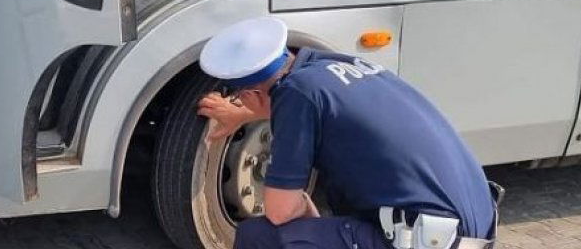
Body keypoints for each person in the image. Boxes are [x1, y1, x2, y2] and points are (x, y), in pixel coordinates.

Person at [197, 16, 500, 249]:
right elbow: (319, 110)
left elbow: (280, 212)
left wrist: (299, 212)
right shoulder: (332, 66)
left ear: (252, 93)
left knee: (260, 236)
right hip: (471, 232)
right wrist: (244, 113)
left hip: (429, 241)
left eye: (241, 99)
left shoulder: (296, 94)